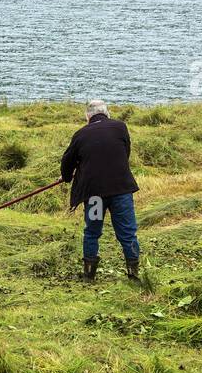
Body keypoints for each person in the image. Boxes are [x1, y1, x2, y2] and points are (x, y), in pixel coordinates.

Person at [60, 99, 141, 281]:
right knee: (127, 232)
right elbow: (124, 152)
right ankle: (133, 274)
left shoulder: (81, 134)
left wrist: (66, 177)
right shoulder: (121, 127)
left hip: (96, 195)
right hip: (121, 191)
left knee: (92, 231)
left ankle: (89, 275)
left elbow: (67, 162)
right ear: (107, 113)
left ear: (87, 116)